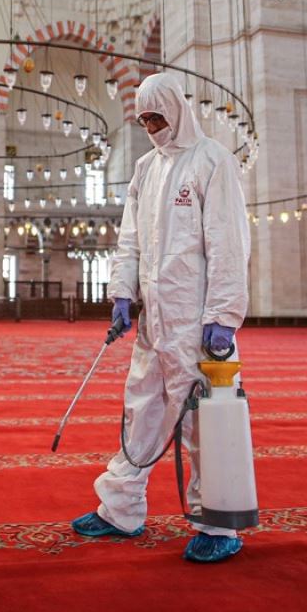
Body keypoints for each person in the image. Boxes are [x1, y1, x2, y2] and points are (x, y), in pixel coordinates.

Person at [71, 72, 251, 563]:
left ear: (176, 110)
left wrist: (224, 314)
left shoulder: (212, 161)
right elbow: (129, 240)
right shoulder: (145, 169)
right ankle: (120, 510)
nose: (152, 127)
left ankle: (219, 524)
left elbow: (228, 242)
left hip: (198, 324)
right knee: (141, 412)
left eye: (158, 117)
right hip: (154, 324)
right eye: (144, 119)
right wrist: (122, 293)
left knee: (203, 423)